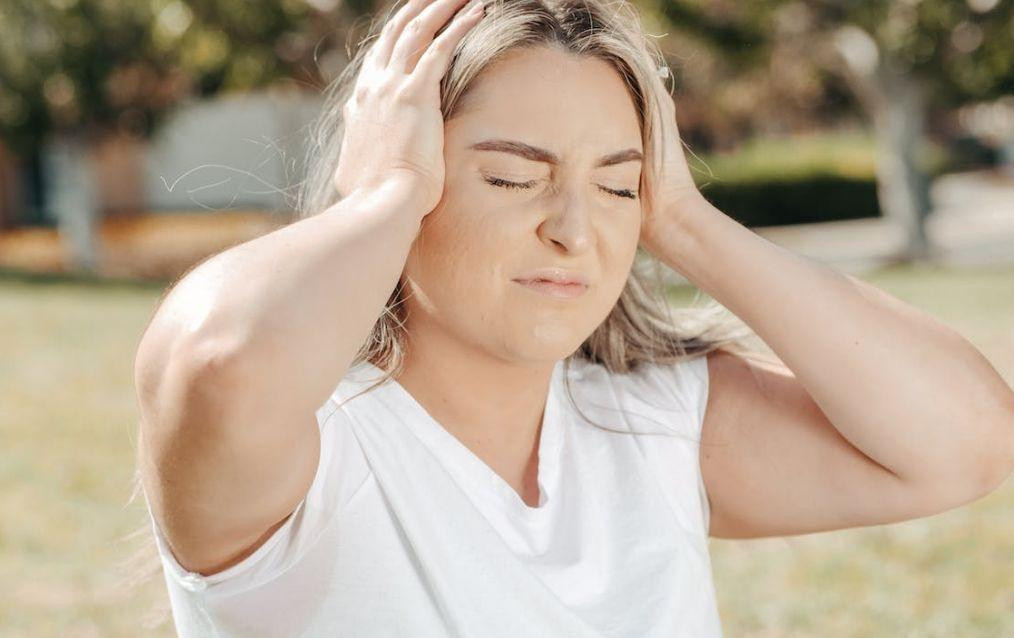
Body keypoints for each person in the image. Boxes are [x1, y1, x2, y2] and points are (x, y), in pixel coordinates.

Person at [129, 0, 1014, 635]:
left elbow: (968, 442)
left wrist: (685, 220)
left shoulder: (655, 425)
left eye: (619, 186)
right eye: (512, 177)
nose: (575, 230)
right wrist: (383, 192)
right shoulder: (312, 456)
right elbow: (220, 359)